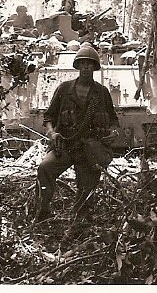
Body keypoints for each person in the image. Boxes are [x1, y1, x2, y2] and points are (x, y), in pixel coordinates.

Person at [35, 43, 120, 222]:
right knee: (45, 168)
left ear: (95, 67)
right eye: (83, 63)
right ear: (78, 66)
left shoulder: (102, 92)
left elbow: (113, 121)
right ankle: (42, 211)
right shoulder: (64, 89)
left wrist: (113, 132)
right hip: (65, 145)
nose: (86, 67)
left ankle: (80, 221)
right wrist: (52, 134)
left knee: (86, 192)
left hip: (90, 149)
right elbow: (48, 117)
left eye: (90, 64)